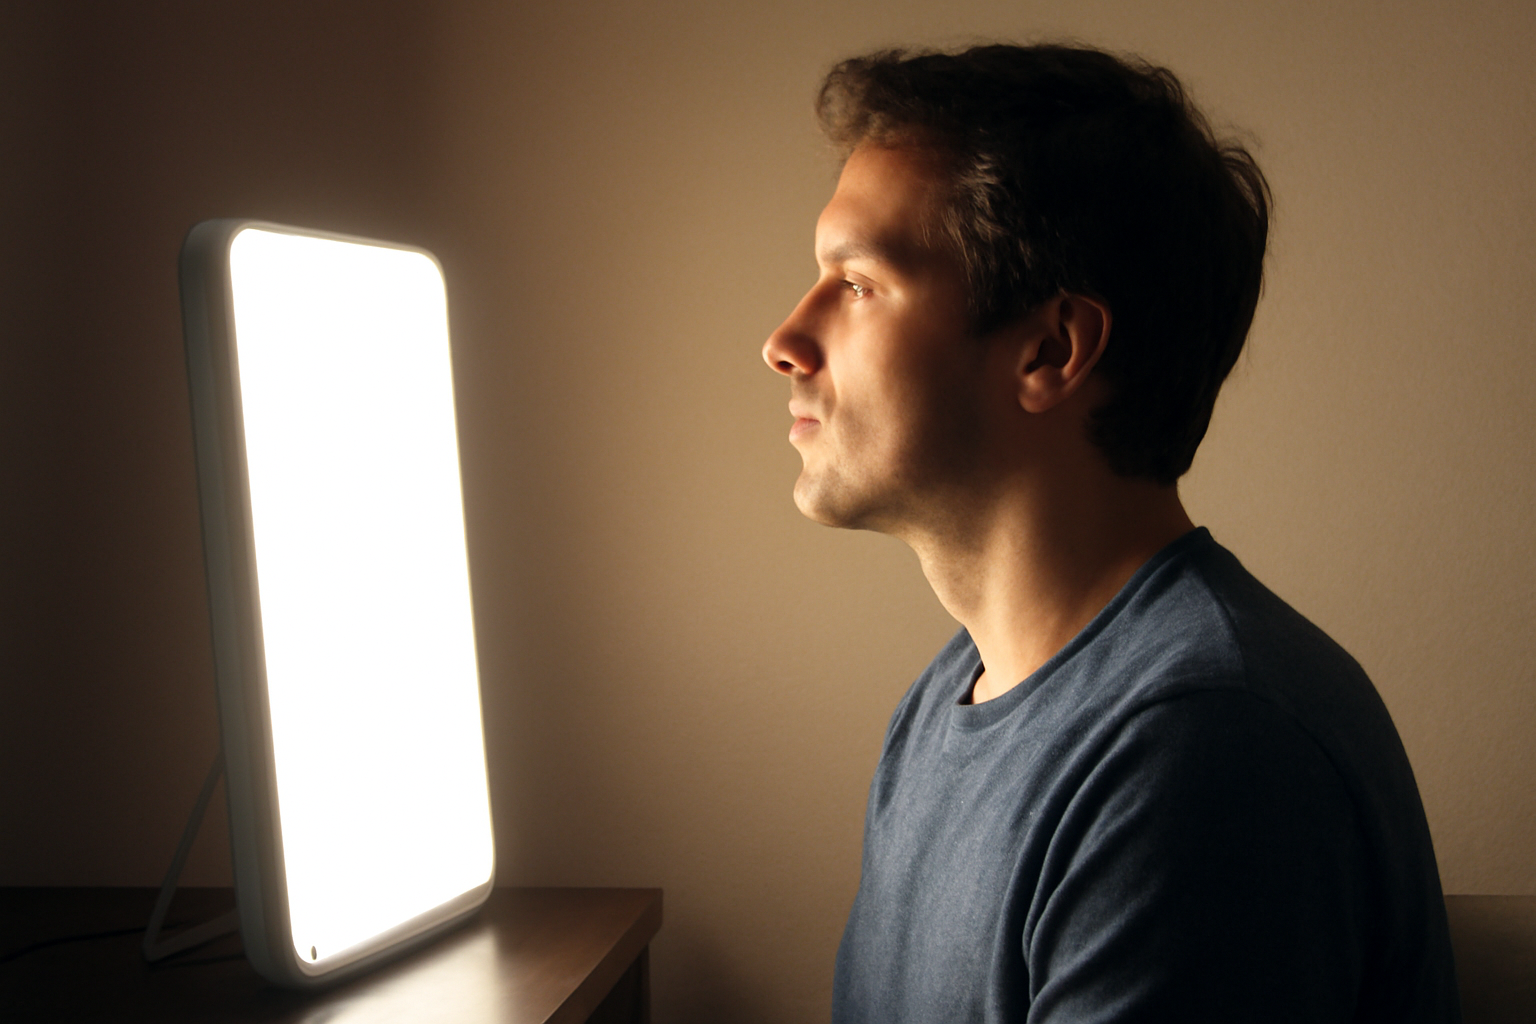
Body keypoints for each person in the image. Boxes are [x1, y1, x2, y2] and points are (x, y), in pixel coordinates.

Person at [762, 44, 1460, 1023]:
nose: (785, 339)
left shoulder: (1205, 748)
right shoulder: (942, 705)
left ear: (1050, 349)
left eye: (861, 283)